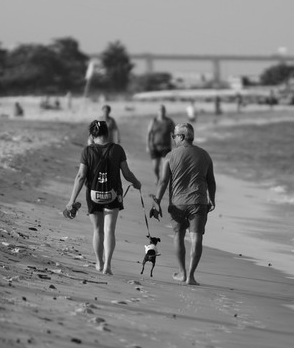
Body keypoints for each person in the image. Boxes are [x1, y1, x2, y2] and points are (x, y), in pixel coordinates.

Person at [65, 120, 141, 275]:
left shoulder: (87, 151)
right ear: (108, 133)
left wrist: (71, 200)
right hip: (113, 195)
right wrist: (136, 183)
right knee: (109, 230)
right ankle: (108, 265)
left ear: (92, 135)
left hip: (93, 195)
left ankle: (99, 263)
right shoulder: (117, 150)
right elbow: (126, 173)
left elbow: (80, 176)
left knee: (97, 230)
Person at [151, 122, 216, 285]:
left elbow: (163, 181)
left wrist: (156, 202)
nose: (173, 139)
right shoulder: (204, 155)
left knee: (178, 236)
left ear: (181, 137)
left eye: (174, 136)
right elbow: (211, 181)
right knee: (196, 238)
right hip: (198, 203)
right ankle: (191, 276)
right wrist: (212, 198)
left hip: (178, 204)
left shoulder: (170, 156)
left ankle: (182, 272)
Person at [146, 105, 175, 182]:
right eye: (160, 110)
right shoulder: (153, 121)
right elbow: (149, 133)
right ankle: (157, 177)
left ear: (165, 111)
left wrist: (177, 144)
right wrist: (148, 146)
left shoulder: (169, 121)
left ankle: (163, 181)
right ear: (158, 112)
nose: (161, 112)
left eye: (163, 110)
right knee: (155, 167)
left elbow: (174, 133)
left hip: (166, 147)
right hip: (154, 147)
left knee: (164, 166)